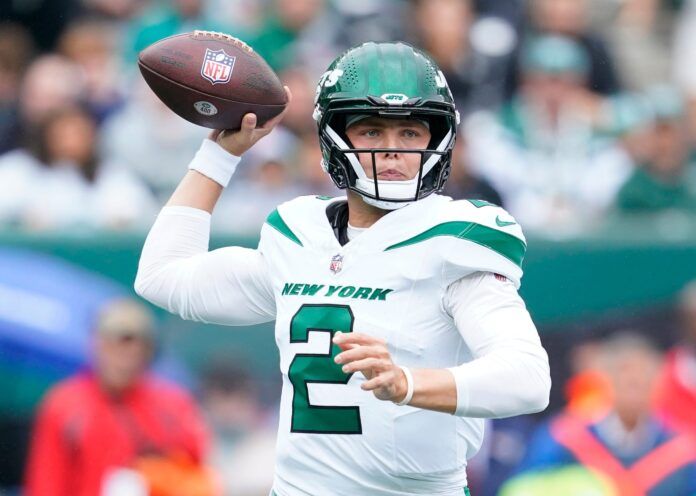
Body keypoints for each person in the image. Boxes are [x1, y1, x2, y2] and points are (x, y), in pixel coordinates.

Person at [135, 41, 551, 495]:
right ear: (334, 136)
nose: (392, 150)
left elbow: (527, 379)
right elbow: (163, 275)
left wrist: (408, 382)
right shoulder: (298, 233)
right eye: (371, 131)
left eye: (410, 133)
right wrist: (219, 154)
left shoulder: (454, 240)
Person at [25, 298, 213, 496]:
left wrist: (159, 473)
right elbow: (46, 483)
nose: (124, 358)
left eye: (135, 347)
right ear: (97, 345)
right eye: (115, 345)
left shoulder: (174, 405)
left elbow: (199, 476)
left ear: (148, 352)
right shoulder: (64, 404)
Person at [514, 333, 696, 496]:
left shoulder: (682, 449)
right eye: (625, 377)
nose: (634, 382)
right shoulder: (563, 438)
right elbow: (524, 488)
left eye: (644, 378)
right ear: (602, 378)